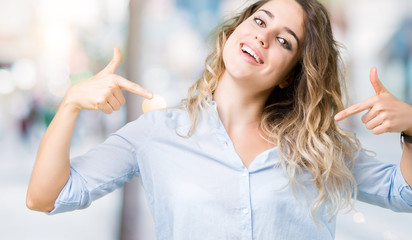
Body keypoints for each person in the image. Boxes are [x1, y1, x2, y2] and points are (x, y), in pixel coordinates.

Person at [26, 0, 412, 239]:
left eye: (284, 41)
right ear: (234, 32)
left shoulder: (317, 147)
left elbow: (403, 193)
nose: (264, 37)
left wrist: (410, 128)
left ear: (290, 75)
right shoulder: (157, 133)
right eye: (261, 21)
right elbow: (47, 197)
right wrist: (70, 104)